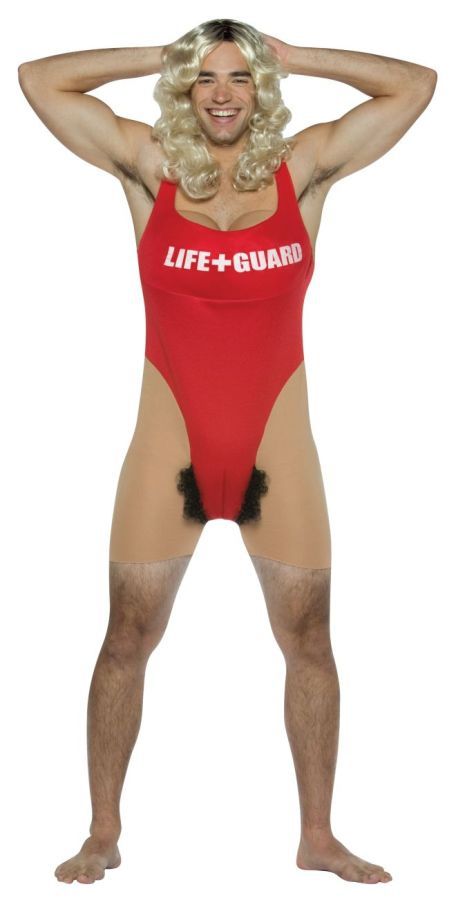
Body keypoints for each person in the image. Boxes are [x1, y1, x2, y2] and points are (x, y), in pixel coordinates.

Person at [18, 18, 436, 886]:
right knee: (125, 637)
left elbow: (417, 86)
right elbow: (38, 79)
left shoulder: (302, 170)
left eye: (239, 78)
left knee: (310, 639)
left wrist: (298, 55)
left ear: (262, 90)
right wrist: (163, 55)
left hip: (274, 450)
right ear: (186, 87)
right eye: (205, 77)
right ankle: (102, 833)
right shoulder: (150, 168)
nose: (220, 94)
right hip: (168, 444)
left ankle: (317, 837)